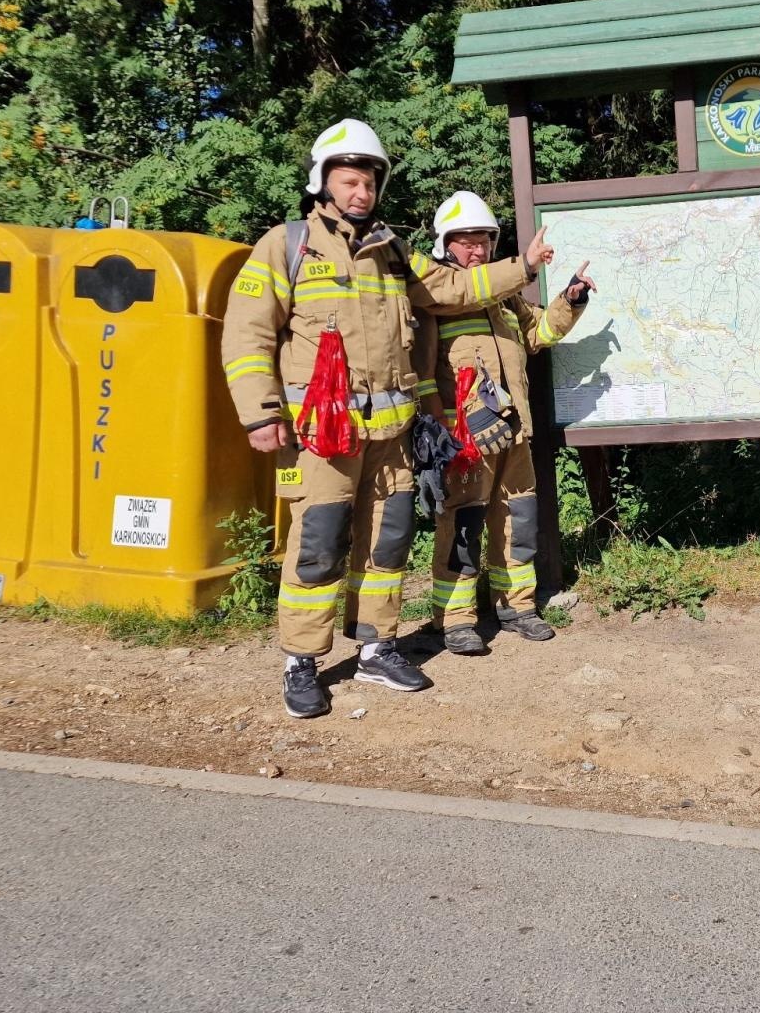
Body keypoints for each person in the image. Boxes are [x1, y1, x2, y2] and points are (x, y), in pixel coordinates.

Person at [221, 120, 553, 719]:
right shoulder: (286, 244)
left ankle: (376, 646)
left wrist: (522, 268)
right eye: (349, 181)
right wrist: (260, 412)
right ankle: (302, 661)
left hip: (392, 438)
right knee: (318, 546)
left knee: (388, 542)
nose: (361, 193)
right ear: (322, 182)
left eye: (369, 182)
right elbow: (246, 335)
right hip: (323, 437)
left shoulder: (394, 251)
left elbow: (451, 292)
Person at [413, 191, 594, 652]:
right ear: (445, 245)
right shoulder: (435, 297)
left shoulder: (504, 299)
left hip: (514, 433)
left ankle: (517, 606)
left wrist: (570, 301)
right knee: (463, 523)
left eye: (484, 241)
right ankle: (455, 619)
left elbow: (539, 333)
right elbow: (421, 371)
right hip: (465, 441)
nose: (478, 251)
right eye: (467, 242)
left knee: (519, 518)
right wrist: (442, 433)